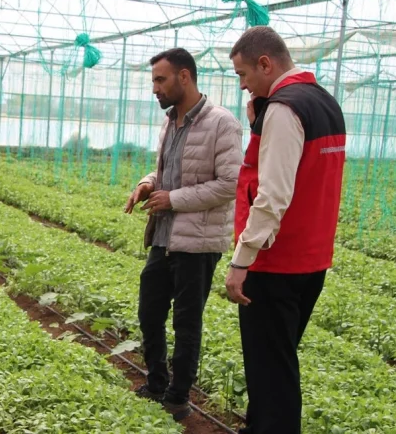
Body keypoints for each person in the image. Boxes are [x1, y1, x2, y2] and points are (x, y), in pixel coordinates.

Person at [225, 26, 346, 434]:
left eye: (243, 74)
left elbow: (272, 194)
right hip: (312, 260)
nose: (243, 86)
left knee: (272, 373)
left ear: (265, 63)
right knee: (275, 362)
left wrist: (241, 260)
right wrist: (259, 121)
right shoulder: (324, 102)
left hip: (275, 262)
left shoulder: (283, 109)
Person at [124, 48, 243, 420]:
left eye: (160, 80)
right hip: (164, 237)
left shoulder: (222, 123)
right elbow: (167, 171)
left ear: (184, 77)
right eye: (154, 81)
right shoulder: (170, 121)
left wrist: (173, 199)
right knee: (149, 313)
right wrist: (147, 184)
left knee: (186, 322)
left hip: (198, 243)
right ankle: (156, 383)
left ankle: (177, 398)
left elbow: (230, 183)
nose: (155, 89)